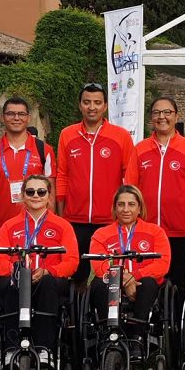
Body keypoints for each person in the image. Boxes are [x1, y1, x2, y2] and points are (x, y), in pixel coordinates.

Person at [0, 175, 78, 368]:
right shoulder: (9, 226)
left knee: (47, 283)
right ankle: (11, 348)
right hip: (17, 279)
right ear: (23, 196)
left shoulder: (63, 226)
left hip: (49, 281)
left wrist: (49, 271)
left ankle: (44, 348)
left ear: (49, 196)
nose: (36, 195)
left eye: (41, 192)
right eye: (30, 192)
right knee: (13, 282)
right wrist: (17, 270)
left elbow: (72, 261)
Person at [56, 83, 138, 284]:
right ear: (80, 105)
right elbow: (62, 175)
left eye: (97, 102)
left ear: (105, 106)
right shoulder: (67, 134)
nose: (92, 107)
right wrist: (61, 212)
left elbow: (129, 177)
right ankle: (77, 302)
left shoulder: (121, 136)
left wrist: (125, 211)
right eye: (87, 102)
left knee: (112, 273)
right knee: (76, 274)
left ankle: (105, 302)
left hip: (110, 218)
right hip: (75, 217)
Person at [135, 96, 185, 293]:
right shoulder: (140, 149)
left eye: (167, 112)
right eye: (157, 112)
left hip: (177, 230)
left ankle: (176, 313)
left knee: (176, 283)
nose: (162, 117)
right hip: (145, 229)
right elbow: (131, 189)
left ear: (176, 116)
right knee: (145, 281)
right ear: (151, 117)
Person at [88, 185, 171, 344]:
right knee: (98, 284)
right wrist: (122, 279)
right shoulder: (101, 234)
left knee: (149, 283)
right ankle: (109, 335)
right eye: (121, 204)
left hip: (143, 284)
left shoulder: (156, 232)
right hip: (112, 284)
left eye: (131, 204)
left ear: (140, 208)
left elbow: (162, 264)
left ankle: (137, 336)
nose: (126, 209)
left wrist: (133, 277)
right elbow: (99, 267)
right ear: (115, 208)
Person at [0, 97, 55, 251]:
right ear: (3, 117)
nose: (16, 118)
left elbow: (51, 192)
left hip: (36, 227)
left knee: (35, 267)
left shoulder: (44, 150)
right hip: (0, 228)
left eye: (21, 114)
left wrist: (49, 226)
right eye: (10, 114)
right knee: (2, 267)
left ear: (28, 118)